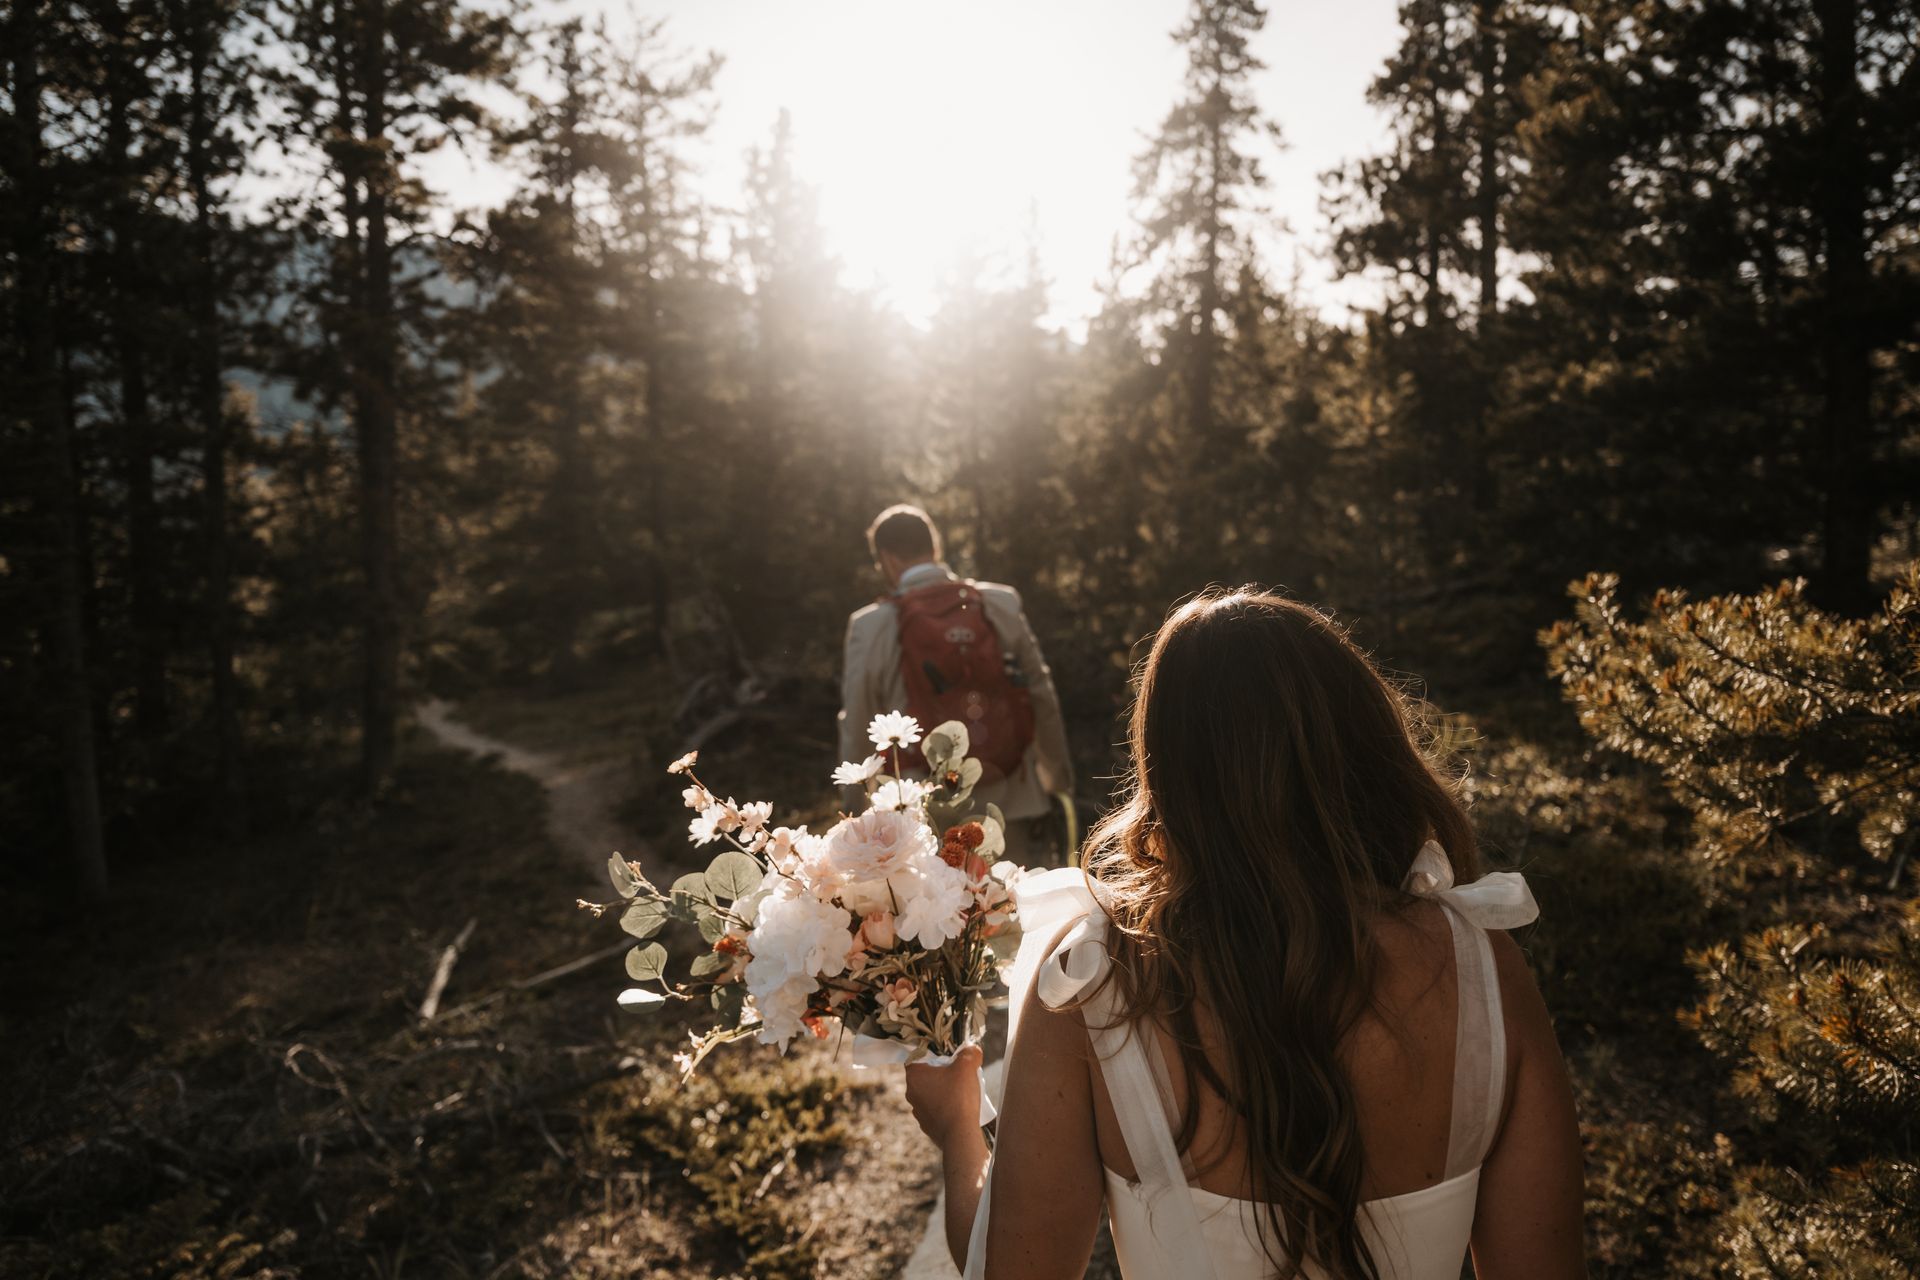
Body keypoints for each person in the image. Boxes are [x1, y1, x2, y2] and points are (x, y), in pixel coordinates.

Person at [903, 589, 1587, 1280]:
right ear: (1364, 740)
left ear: (1166, 766)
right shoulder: (1479, 963)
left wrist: (959, 1129)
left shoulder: (1092, 982)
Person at [838, 504, 1074, 862]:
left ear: (886, 559)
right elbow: (1041, 695)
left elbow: (858, 724)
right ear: (935, 547)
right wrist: (1057, 781)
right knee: (1025, 912)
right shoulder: (1000, 604)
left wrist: (854, 811)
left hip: (927, 817)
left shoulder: (871, 626)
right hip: (1014, 798)